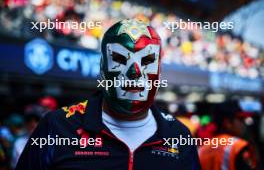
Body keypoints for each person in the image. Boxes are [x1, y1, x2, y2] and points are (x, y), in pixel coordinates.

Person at [16, 19, 200, 170]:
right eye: (120, 59)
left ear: (159, 71)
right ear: (103, 66)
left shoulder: (178, 136)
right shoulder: (58, 126)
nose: (134, 72)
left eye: (147, 61)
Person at [198, 101, 257, 170]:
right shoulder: (238, 146)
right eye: (241, 119)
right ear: (228, 122)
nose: (243, 123)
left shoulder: (202, 149)